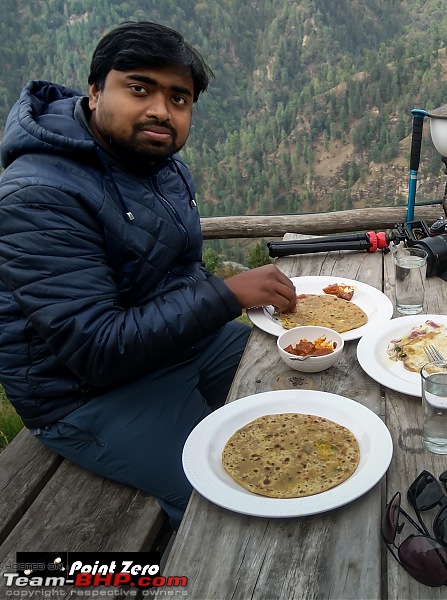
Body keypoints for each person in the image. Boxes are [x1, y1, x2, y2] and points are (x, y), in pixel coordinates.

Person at [0, 21, 297, 527]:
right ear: (95, 91)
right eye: (139, 88)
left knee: (301, 384)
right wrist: (226, 296)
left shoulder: (160, 164)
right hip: (88, 392)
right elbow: (94, 349)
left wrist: (218, 300)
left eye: (179, 98)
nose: (161, 109)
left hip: (182, 345)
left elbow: (175, 271)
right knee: (230, 499)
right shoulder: (38, 194)